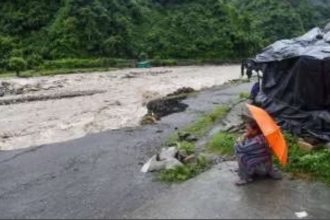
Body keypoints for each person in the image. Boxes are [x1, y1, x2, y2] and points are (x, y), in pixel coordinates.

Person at [234, 116, 282, 186]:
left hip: (262, 168)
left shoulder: (257, 142)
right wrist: (246, 137)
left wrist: (238, 141)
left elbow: (240, 148)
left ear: (255, 131)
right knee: (246, 155)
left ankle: (245, 178)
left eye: (247, 129)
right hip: (265, 164)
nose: (245, 130)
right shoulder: (261, 136)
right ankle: (268, 171)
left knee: (241, 155)